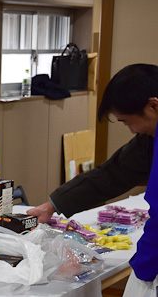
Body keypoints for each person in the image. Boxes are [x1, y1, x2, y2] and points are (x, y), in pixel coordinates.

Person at [27, 64, 157, 228]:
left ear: (153, 106)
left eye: (127, 122)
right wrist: (52, 206)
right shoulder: (148, 138)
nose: (132, 131)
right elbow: (113, 174)